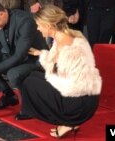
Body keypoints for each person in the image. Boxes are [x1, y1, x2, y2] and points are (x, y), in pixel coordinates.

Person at [19, 4, 102, 138]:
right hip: (88, 96)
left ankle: (69, 122)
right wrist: (40, 53)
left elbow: (66, 80)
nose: (38, 29)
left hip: (79, 102)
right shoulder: (70, 35)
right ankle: (71, 120)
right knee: (34, 76)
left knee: (30, 83)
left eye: (39, 25)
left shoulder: (64, 45)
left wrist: (49, 73)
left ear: (49, 25)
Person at [0, 0, 48, 110]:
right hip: (15, 57)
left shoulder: (25, 21)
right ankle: (10, 96)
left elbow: (20, 55)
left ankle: (31, 105)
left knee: (13, 74)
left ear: (2, 14)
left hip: (35, 59)